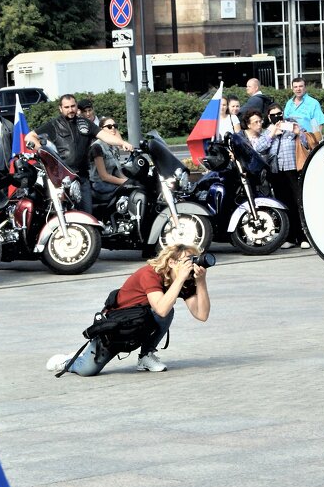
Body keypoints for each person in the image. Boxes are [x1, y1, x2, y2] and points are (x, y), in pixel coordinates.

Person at [51, 243, 210, 376]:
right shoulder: (150, 273)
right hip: (118, 326)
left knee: (168, 309)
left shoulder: (185, 281)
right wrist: (181, 278)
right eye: (187, 260)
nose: (191, 264)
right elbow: (161, 309)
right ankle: (67, 361)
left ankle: (146, 356)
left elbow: (201, 315)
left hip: (141, 324)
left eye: (193, 260)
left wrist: (201, 281)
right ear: (172, 262)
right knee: (87, 370)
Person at [24, 94, 131, 214]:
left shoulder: (85, 123)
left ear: (76, 107)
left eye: (73, 106)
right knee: (66, 215)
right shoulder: (54, 124)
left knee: (87, 214)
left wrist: (122, 143)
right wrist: (42, 151)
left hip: (82, 178)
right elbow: (29, 136)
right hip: (63, 180)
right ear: (61, 108)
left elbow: (104, 135)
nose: (70, 109)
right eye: (67, 107)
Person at [262, 105, 307, 247]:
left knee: (297, 202)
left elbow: (308, 143)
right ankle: (289, 237)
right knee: (283, 204)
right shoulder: (268, 131)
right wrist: (272, 134)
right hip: (276, 172)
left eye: (279, 113)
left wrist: (298, 132)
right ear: (269, 117)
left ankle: (303, 237)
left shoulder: (291, 126)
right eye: (273, 115)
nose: (277, 117)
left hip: (292, 170)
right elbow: (259, 148)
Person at [89, 117, 131, 203]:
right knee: (125, 192)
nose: (113, 129)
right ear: (101, 130)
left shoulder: (112, 146)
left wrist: (129, 181)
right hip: (99, 184)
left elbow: (115, 169)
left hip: (110, 182)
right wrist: (125, 183)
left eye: (115, 126)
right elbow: (104, 176)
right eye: (109, 126)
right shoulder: (97, 147)